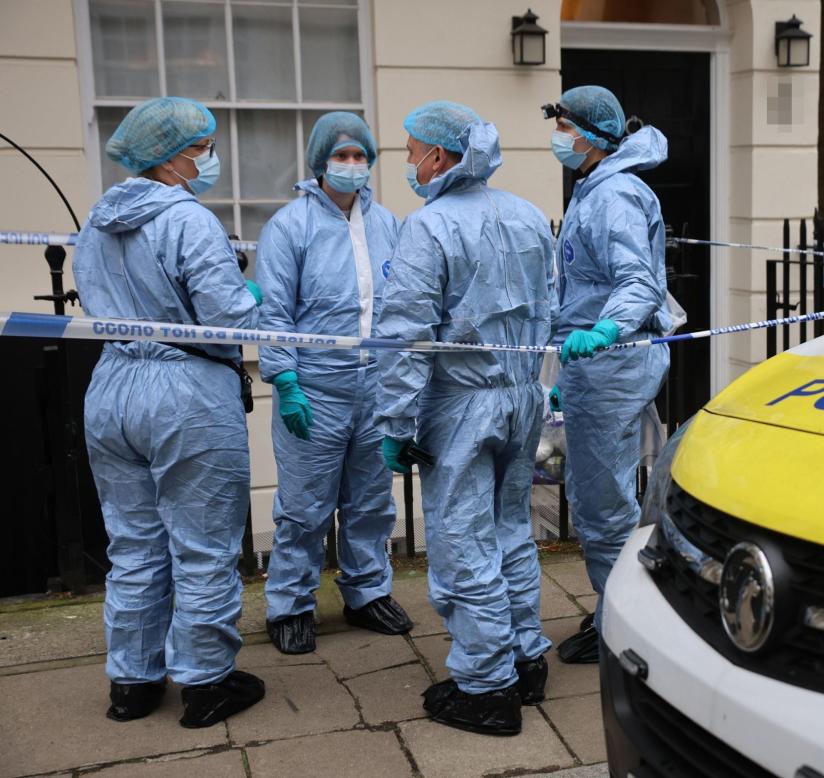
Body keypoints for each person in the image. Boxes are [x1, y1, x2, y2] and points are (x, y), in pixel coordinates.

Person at [73, 96, 266, 727]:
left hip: (111, 387)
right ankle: (207, 684)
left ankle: (131, 682)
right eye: (202, 146)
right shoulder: (190, 220)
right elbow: (227, 316)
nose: (209, 157)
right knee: (204, 543)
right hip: (186, 390)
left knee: (132, 542)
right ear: (172, 157)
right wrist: (251, 295)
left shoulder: (97, 220)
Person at [374, 101, 555, 736]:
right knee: (510, 528)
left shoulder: (428, 227)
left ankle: (486, 688)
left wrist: (395, 423)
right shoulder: (530, 215)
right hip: (521, 396)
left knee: (463, 540)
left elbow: (405, 335)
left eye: (411, 150)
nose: (407, 163)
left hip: (460, 405)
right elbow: (549, 310)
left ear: (441, 157)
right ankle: (526, 655)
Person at [258, 112, 410, 654]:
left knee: (371, 501)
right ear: (320, 161)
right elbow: (274, 312)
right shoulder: (289, 227)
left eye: (360, 156)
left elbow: (401, 306)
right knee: (304, 506)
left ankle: (367, 592)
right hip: (315, 388)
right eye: (341, 156)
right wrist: (285, 379)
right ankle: (291, 604)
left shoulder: (388, 224)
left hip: (375, 385)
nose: (351, 166)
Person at [542, 86, 672, 664]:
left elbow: (637, 284)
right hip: (595, 366)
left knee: (605, 506)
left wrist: (604, 331)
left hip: (610, 362)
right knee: (600, 498)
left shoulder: (613, 194)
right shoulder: (595, 188)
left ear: (592, 135)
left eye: (563, 124)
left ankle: (621, 625)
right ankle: (614, 612)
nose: (558, 135)